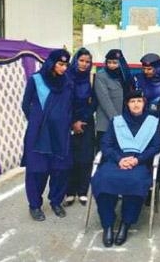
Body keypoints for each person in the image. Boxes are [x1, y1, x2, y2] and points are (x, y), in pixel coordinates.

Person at [90, 89, 160, 247]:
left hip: (140, 162)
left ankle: (126, 223)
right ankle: (108, 224)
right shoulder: (117, 121)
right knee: (102, 180)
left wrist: (138, 159)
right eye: (132, 101)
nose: (136, 104)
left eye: (139, 101)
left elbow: (157, 146)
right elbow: (106, 144)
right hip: (116, 160)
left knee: (135, 182)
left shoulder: (152, 121)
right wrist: (119, 159)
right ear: (127, 104)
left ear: (144, 103)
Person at [20, 49, 74, 221]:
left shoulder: (67, 82)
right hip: (38, 134)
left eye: (66, 64)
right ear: (51, 63)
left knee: (61, 169)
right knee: (37, 170)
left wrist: (63, 121)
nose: (64, 68)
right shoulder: (36, 80)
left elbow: (70, 105)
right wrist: (39, 121)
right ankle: (35, 205)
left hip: (61, 133)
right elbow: (25, 104)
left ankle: (56, 201)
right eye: (60, 64)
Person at [134, 53, 160, 195]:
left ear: (157, 68)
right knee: (144, 154)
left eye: (150, 69)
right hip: (143, 120)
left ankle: (156, 186)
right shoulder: (139, 79)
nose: (146, 72)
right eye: (144, 68)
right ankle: (142, 185)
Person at [64, 48, 96, 207]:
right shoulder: (66, 78)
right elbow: (63, 102)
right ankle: (69, 191)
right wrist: (72, 122)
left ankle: (83, 191)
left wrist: (82, 120)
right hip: (67, 122)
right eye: (81, 60)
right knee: (70, 157)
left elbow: (94, 102)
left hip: (86, 122)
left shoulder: (91, 78)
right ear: (75, 60)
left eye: (87, 62)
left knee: (85, 157)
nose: (84, 64)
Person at [94, 49, 133, 143]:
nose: (111, 65)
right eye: (109, 62)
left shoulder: (125, 75)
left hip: (125, 120)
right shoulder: (101, 75)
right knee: (104, 154)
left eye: (115, 62)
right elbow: (104, 100)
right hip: (107, 123)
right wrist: (117, 120)